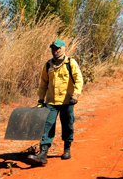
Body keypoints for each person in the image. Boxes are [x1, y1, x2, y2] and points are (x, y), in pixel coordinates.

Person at [25, 39, 84, 167]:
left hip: (67, 101)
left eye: (57, 48)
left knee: (68, 124)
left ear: (63, 49)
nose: (55, 50)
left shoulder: (70, 63)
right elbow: (43, 83)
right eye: (53, 48)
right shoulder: (48, 65)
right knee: (47, 125)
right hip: (51, 102)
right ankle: (43, 154)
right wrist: (41, 99)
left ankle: (67, 148)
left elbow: (79, 79)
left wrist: (75, 94)